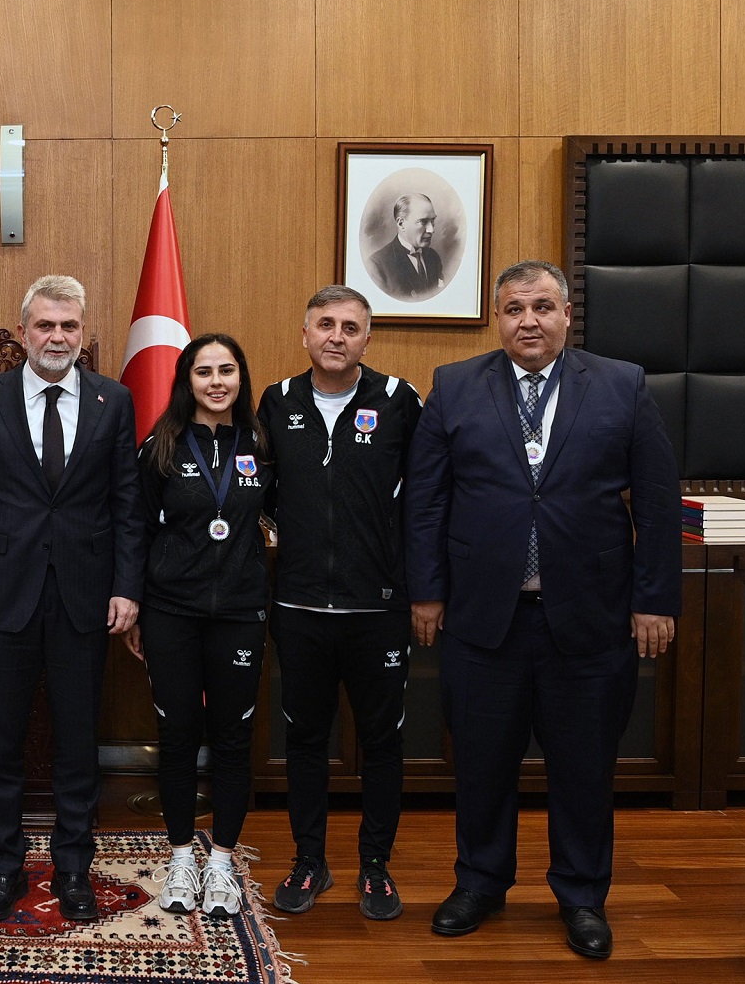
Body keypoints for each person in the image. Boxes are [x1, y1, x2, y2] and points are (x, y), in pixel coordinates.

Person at [404, 260, 681, 959]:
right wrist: (428, 591)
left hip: (589, 619)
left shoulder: (623, 384)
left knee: (584, 767)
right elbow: (426, 503)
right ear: (498, 317)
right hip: (482, 618)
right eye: (514, 307)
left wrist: (654, 600)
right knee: (482, 763)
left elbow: (655, 500)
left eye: (543, 306)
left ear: (566, 314)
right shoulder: (455, 385)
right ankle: (480, 882)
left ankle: (583, 896)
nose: (529, 320)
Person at [0, 275, 145, 922]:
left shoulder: (114, 401)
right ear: (23, 330)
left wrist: (126, 586)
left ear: (82, 333)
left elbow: (127, 505)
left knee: (76, 744)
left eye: (68, 326)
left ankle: (72, 871)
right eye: (45, 325)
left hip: (85, 599)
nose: (56, 336)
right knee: (0, 745)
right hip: (3, 599)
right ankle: (4, 870)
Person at [256, 285, 422, 921]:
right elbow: (262, 491)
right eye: (324, 324)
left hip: (377, 609)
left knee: (382, 742)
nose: (336, 335)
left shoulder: (400, 402)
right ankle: (310, 860)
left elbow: (426, 492)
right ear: (304, 334)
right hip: (298, 608)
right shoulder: (277, 402)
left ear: (367, 339)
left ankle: (375, 865)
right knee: (304, 741)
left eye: (350, 326)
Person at [124, 334, 270, 918]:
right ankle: (182, 854)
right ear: (186, 381)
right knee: (179, 735)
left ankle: (222, 862)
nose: (216, 381)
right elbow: (135, 531)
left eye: (226, 370)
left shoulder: (263, 443)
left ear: (240, 378)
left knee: (234, 738)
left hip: (239, 611)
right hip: (170, 612)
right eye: (203, 371)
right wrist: (133, 605)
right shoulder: (159, 447)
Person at [368, 193, 444, 300]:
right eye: (423, 221)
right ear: (401, 224)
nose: (431, 229)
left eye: (432, 221)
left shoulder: (433, 257)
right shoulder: (377, 264)